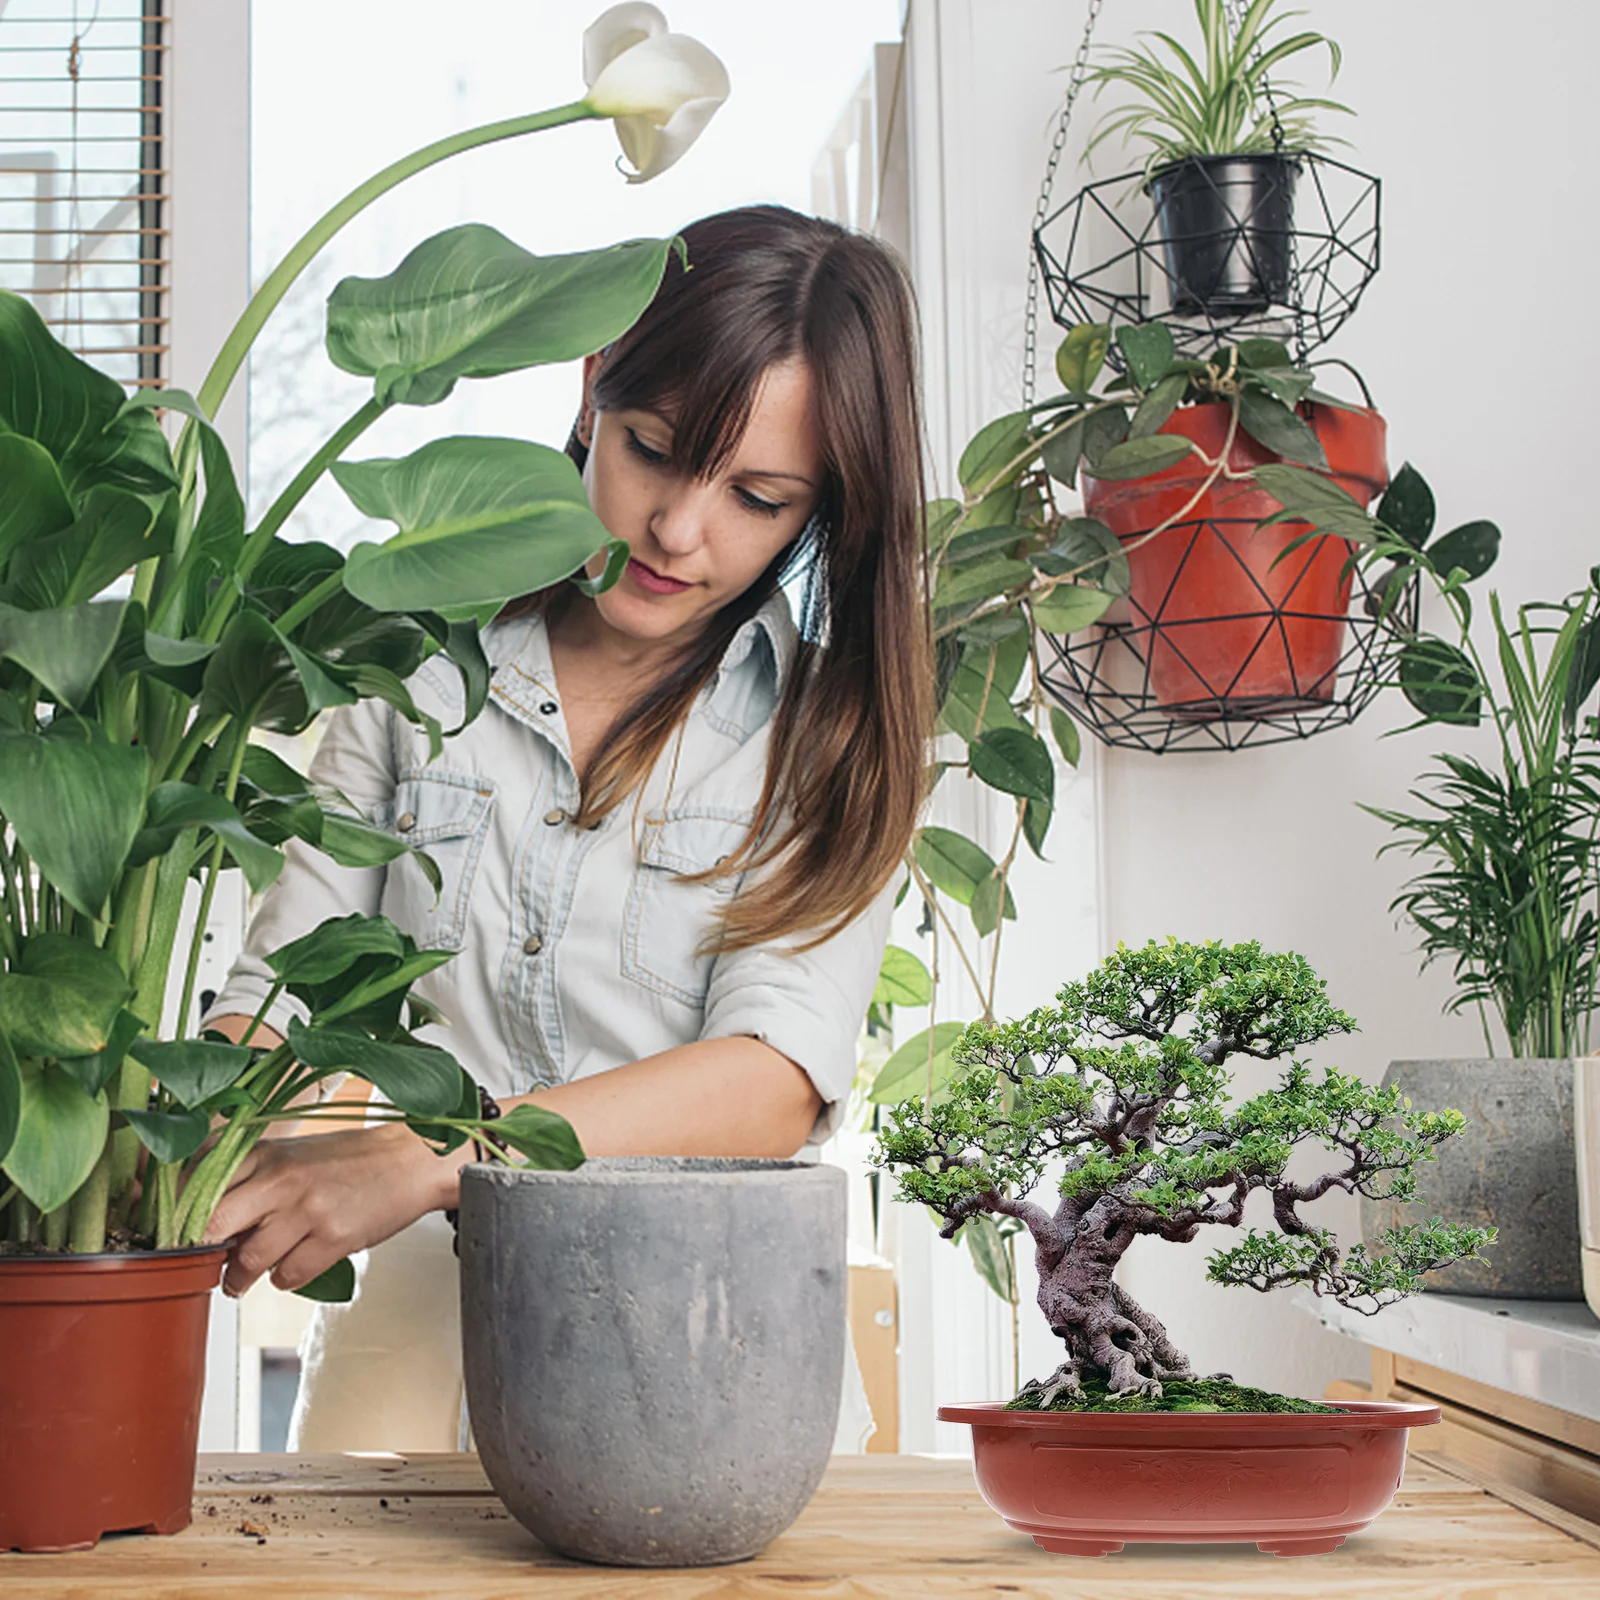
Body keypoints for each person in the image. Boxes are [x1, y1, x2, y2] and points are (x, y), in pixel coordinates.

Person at [202, 204, 932, 1450]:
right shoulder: (416, 661)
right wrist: (185, 1132)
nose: (680, 532)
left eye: (757, 496)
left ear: (821, 508)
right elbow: (288, 989)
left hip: (710, 1338)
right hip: (419, 1326)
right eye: (652, 450)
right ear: (594, 387)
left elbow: (768, 1080)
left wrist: (441, 1154)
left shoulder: (826, 732)